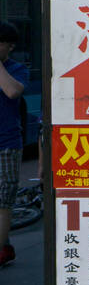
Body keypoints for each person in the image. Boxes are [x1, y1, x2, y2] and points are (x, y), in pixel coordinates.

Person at [0, 21, 28, 268]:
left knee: (3, 202)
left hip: (6, 145)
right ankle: (5, 245)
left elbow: (12, 92)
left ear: (10, 46)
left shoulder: (17, 69)